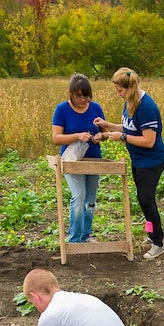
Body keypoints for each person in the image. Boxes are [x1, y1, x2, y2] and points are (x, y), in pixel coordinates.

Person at [93, 67, 164, 260]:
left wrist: (123, 137)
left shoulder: (147, 107)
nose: (118, 94)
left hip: (152, 160)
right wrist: (108, 126)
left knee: (146, 199)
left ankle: (159, 242)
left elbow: (148, 141)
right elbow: (128, 127)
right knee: (144, 201)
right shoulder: (130, 102)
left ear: (130, 87)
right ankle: (152, 235)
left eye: (120, 91)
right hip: (139, 159)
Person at [52, 73, 107, 243]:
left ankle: (86, 235)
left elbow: (105, 132)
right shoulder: (62, 110)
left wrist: (100, 137)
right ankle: (75, 239)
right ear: (71, 94)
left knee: (91, 199)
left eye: (87, 96)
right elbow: (56, 138)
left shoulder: (95, 108)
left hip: (93, 160)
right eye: (79, 96)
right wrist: (77, 136)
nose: (84, 100)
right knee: (79, 196)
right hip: (72, 161)